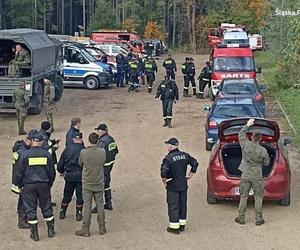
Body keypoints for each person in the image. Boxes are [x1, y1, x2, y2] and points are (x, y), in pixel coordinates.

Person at [15, 132, 56, 241]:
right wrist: (49, 183)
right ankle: (51, 230)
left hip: (28, 185)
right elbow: (52, 172)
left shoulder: (24, 154)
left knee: (30, 209)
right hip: (44, 184)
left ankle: (35, 234)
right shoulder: (47, 154)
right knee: (47, 206)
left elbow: (19, 173)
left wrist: (20, 185)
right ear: (42, 142)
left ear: (32, 141)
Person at [235, 118, 270, 226]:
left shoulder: (245, 144)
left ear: (251, 137)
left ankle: (241, 218)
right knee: (258, 197)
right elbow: (266, 163)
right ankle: (258, 219)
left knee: (244, 196)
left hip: (245, 174)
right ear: (260, 139)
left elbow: (241, 134)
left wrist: (248, 124)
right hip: (257, 175)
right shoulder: (263, 151)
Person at [161, 138, 199, 234]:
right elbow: (195, 163)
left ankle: (174, 228)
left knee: (173, 206)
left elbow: (164, 171)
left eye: (167, 145)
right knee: (182, 205)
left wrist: (164, 180)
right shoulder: (185, 155)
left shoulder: (168, 159)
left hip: (173, 186)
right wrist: (190, 174)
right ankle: (182, 225)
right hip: (183, 185)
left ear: (170, 146)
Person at [75, 133, 106, 237]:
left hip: (87, 183)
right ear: (97, 141)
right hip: (99, 181)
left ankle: (86, 229)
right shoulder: (102, 152)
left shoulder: (84, 152)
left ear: (89, 140)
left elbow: (80, 163)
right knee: (100, 204)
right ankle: (102, 227)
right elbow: (103, 162)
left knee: (87, 206)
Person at [11, 130, 37, 229]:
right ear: (30, 140)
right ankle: (22, 221)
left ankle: (23, 218)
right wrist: (20, 184)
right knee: (23, 200)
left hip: (19, 179)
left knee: (23, 199)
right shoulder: (23, 152)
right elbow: (20, 170)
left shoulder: (19, 147)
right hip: (22, 180)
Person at [57, 132, 85, 221]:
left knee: (67, 195)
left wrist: (61, 171)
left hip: (69, 176)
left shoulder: (67, 149)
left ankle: (62, 212)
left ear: (73, 139)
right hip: (81, 176)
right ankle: (79, 214)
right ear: (81, 139)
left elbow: (60, 164)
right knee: (80, 196)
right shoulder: (84, 150)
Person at [92, 124, 119, 212]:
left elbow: (97, 155)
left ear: (103, 131)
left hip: (102, 167)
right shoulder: (111, 139)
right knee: (107, 184)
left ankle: (99, 207)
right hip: (110, 165)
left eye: (98, 130)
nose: (97, 132)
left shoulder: (102, 142)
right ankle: (108, 203)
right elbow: (116, 151)